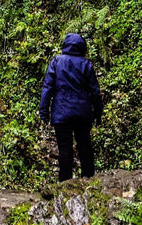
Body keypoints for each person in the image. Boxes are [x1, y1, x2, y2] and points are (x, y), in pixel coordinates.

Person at [39, 33, 103, 181]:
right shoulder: (86, 64)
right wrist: (98, 112)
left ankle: (64, 184)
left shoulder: (56, 62)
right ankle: (89, 181)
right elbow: (94, 92)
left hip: (61, 113)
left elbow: (47, 88)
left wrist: (44, 112)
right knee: (85, 148)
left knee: (65, 150)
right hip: (83, 113)